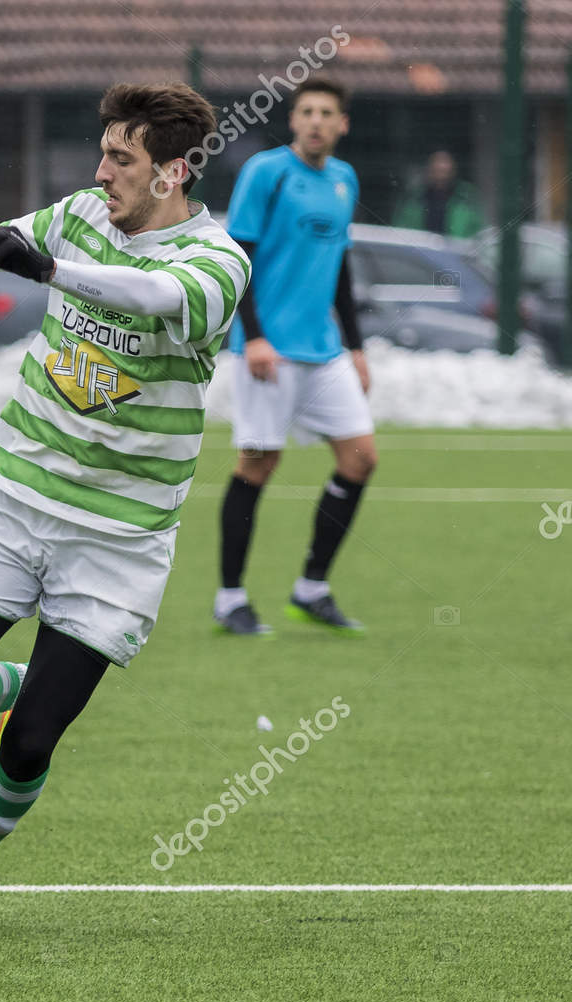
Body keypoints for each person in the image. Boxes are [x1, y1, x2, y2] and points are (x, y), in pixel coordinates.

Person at [0, 82, 249, 928]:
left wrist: (47, 269)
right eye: (102, 152)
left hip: (119, 538)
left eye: (121, 159)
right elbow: (0, 243)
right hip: (18, 497)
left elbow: (149, 297)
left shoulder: (219, 263)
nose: (101, 172)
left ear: (173, 172)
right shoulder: (83, 214)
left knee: (28, 745)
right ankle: (37, 682)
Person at [214, 78, 372, 638]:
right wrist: (254, 337)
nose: (316, 121)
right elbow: (238, 260)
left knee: (360, 460)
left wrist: (356, 347)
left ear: (342, 124)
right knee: (258, 465)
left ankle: (311, 589)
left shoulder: (345, 179)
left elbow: (340, 270)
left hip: (324, 352)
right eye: (307, 111)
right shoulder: (266, 172)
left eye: (327, 112)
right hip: (269, 351)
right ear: (294, 120)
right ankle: (231, 598)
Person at [393, 150, 484, 239]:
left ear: (453, 172)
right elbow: (401, 233)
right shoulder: (414, 201)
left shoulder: (467, 199)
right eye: (436, 171)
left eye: (445, 172)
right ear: (429, 172)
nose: (441, 178)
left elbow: (478, 234)